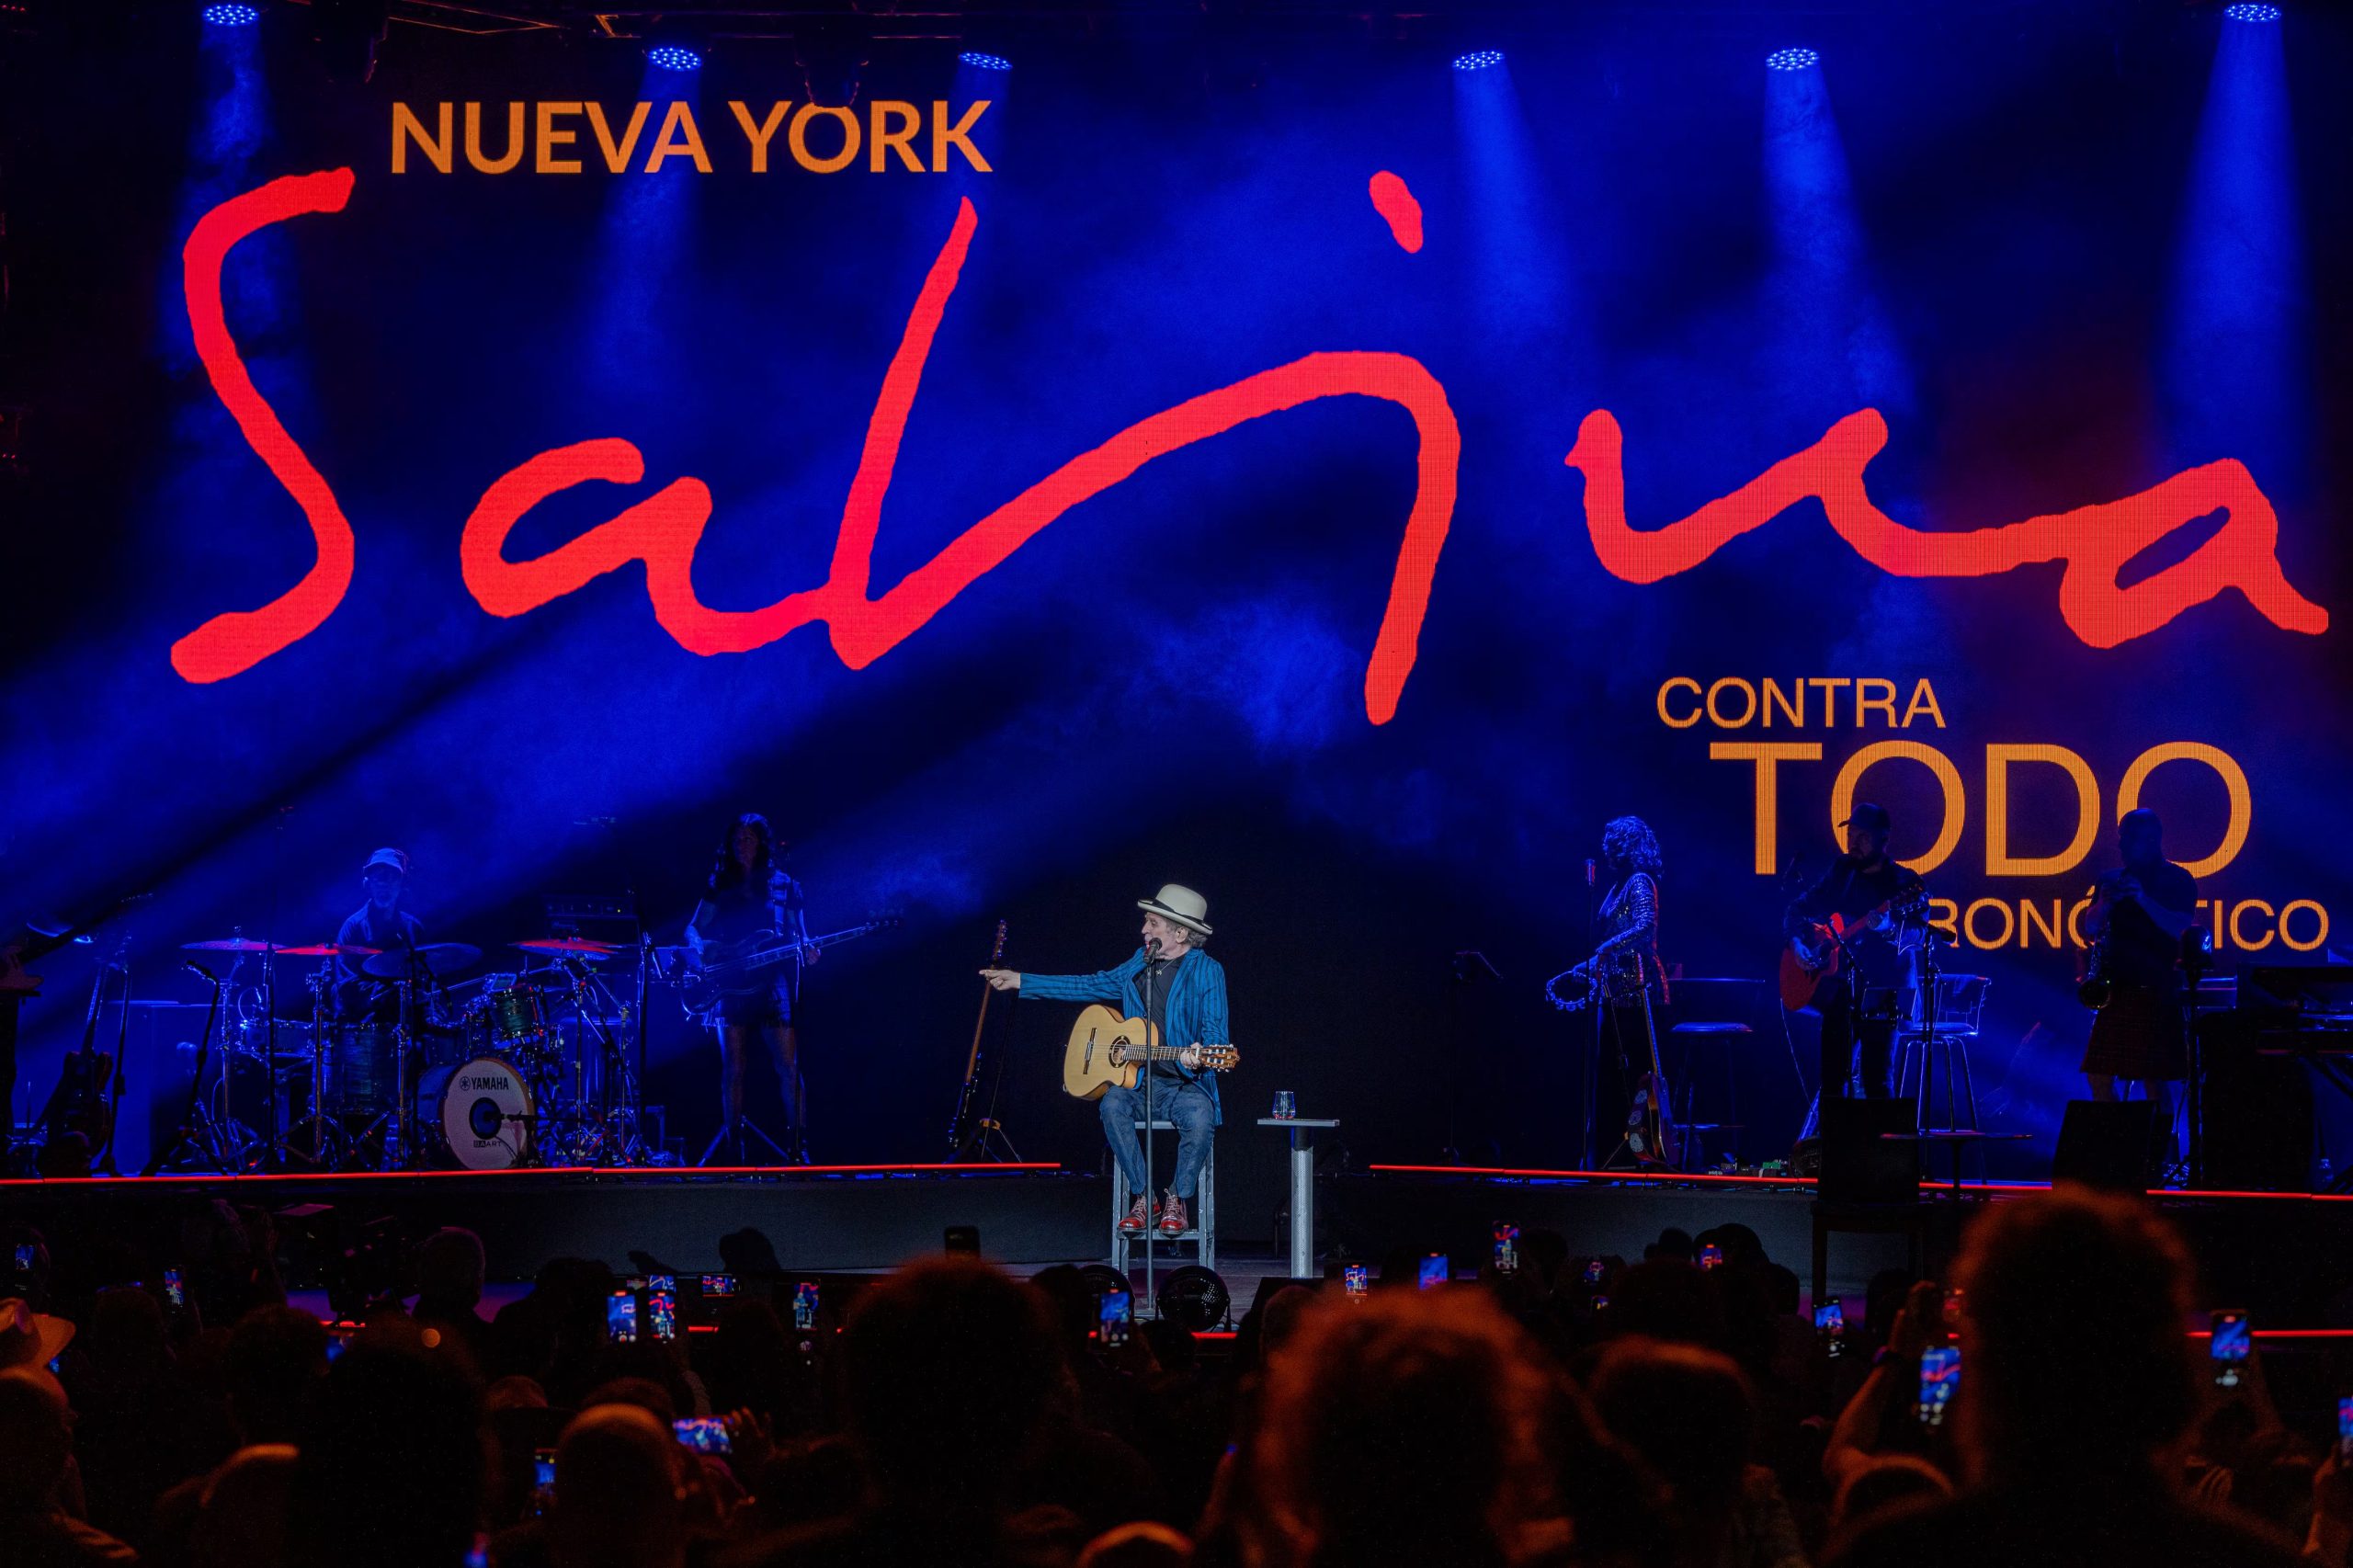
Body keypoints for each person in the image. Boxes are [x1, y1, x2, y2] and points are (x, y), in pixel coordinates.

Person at [1826, 1185, 2303, 1568]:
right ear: (2169, 1373)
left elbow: (1840, 1455)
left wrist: (1895, 1357)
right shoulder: (2250, 1557)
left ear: (1990, 1374)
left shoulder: (1894, 1551)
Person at [981, 884, 1228, 1239]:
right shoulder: (1137, 964)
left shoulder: (1207, 972)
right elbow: (1089, 985)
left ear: (1180, 932)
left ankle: (1177, 1198)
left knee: (1200, 1118)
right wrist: (1022, 980)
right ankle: (1145, 1198)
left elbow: (1217, 1038)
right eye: (1146, 922)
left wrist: (1199, 1055)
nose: (1145, 930)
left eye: (1153, 924)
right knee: (1111, 1105)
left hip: (1182, 1084)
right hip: (1137, 1083)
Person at [685, 814, 816, 1165]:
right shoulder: (720, 884)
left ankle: (798, 1147)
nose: (742, 844)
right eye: (737, 839)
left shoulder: (783, 884)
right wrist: (703, 950)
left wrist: (809, 948)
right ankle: (734, 1148)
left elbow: (799, 933)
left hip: (771, 981)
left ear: (761, 843)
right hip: (730, 983)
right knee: (733, 1069)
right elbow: (692, 929)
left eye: (749, 838)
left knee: (788, 1065)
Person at [1787, 802, 1923, 1106]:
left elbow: (1919, 933)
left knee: (1877, 1082)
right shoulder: (1842, 871)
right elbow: (1798, 909)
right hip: (1840, 991)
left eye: (1863, 837)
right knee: (1832, 1081)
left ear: (1883, 839)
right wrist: (1797, 943)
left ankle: (1880, 1152)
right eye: (1852, 835)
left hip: (1883, 994)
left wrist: (1888, 927)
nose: (1854, 843)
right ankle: (1834, 1150)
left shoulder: (1905, 883)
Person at [2080, 807, 2199, 1105]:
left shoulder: (2178, 879)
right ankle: (2118, 1141)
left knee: (2154, 1079)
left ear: (2150, 839)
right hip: (2118, 989)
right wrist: (2104, 904)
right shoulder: (2112, 879)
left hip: (2156, 989)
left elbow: (2180, 927)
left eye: (2127, 838)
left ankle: (2156, 1148)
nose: (2120, 844)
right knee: (2098, 1075)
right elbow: (2090, 927)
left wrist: (2143, 899)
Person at [334, 847, 426, 1021]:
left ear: (403, 883)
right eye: (378, 878)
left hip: (405, 1024)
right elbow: (348, 986)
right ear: (367, 884)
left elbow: (426, 979)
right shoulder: (353, 927)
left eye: (391, 878)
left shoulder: (413, 928)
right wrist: (393, 997)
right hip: (361, 1026)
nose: (384, 885)